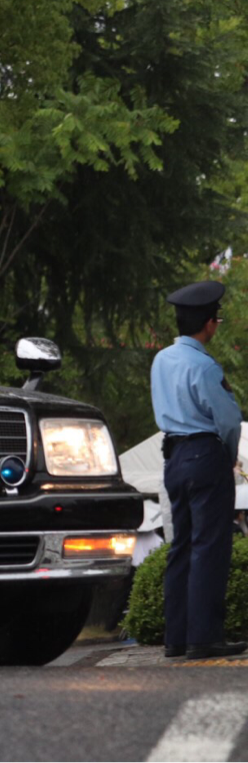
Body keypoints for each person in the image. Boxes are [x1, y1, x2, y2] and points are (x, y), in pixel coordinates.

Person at [151, 280, 247, 660]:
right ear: (210, 324)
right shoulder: (205, 365)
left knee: (182, 547)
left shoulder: (161, 359)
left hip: (173, 457)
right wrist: (228, 456)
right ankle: (204, 638)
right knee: (210, 547)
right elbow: (228, 420)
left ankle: (176, 638)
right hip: (205, 455)